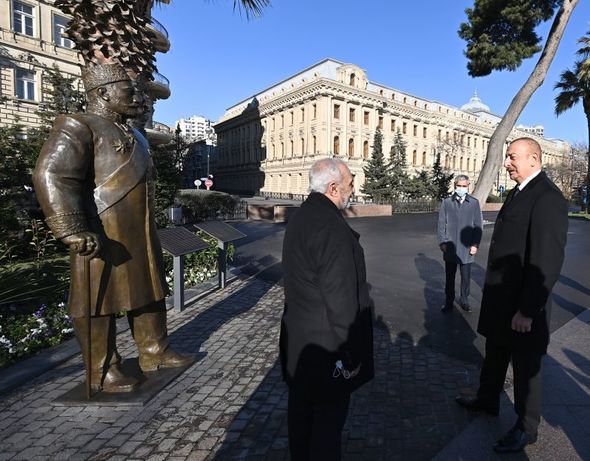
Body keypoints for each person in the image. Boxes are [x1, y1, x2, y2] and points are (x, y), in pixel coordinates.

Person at [33, 63, 193, 393]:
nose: (136, 95)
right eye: (127, 89)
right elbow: (52, 175)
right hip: (100, 230)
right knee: (98, 298)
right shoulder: (77, 125)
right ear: (103, 92)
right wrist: (71, 228)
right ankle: (102, 369)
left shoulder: (134, 133)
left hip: (138, 231)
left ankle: (154, 352)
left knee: (149, 288)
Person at [455, 137, 568, 453]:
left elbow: (546, 261)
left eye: (511, 157)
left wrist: (528, 310)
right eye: (506, 157)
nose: (506, 163)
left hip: (522, 307)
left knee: (526, 368)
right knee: (495, 354)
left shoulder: (547, 198)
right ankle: (487, 399)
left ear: (534, 158)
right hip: (502, 301)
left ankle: (526, 426)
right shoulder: (522, 192)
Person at [280, 158, 374, 461]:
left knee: (302, 420)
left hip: (300, 341)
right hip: (327, 349)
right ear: (333, 187)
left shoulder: (303, 215)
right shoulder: (330, 226)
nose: (353, 188)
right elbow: (341, 299)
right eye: (349, 183)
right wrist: (351, 354)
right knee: (326, 428)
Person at [437, 174, 483, 313]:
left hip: (467, 247)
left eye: (464, 186)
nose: (461, 188)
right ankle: (448, 302)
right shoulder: (447, 202)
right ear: (454, 186)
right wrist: (442, 242)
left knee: (465, 277)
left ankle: (464, 300)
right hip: (450, 246)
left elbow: (478, 226)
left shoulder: (474, 203)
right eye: (459, 186)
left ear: (468, 186)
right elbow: (441, 224)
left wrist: (475, 244)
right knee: (449, 278)